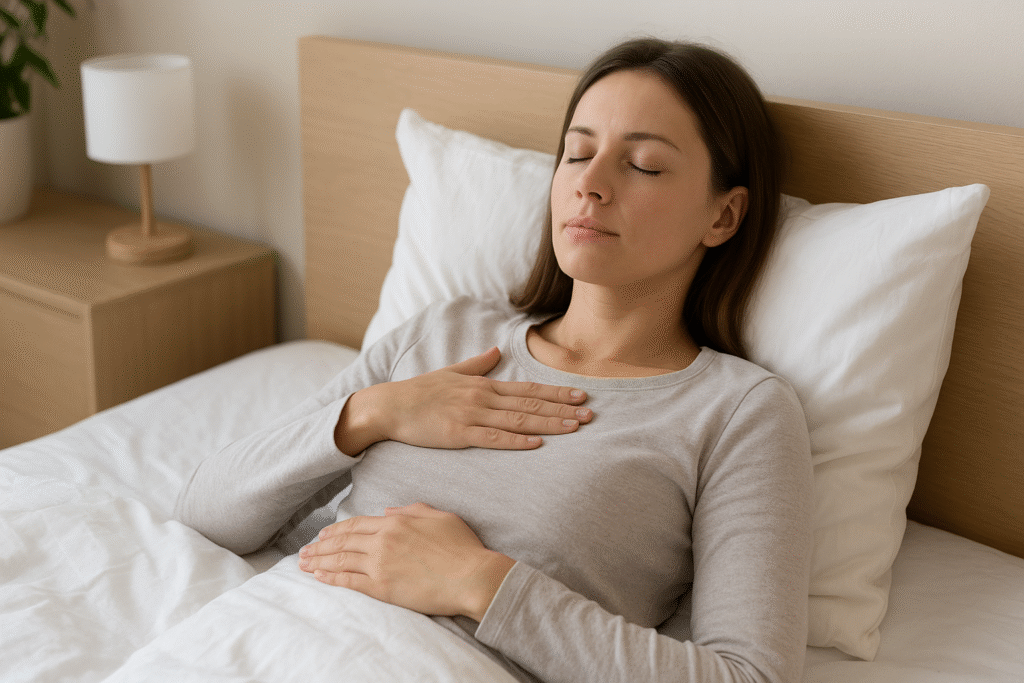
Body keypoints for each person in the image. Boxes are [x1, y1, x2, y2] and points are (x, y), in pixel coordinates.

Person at [175, 37, 812, 683]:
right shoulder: (446, 333)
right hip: (253, 643)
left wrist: (480, 582)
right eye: (577, 154)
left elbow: (751, 675)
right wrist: (372, 412)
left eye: (643, 165)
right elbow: (207, 513)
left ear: (723, 215)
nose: (590, 184)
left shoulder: (735, 411)